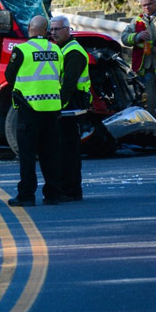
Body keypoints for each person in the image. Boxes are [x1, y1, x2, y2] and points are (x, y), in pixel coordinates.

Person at [4, 15, 65, 207]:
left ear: (30, 27)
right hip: (53, 109)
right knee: (51, 153)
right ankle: (53, 193)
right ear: (46, 30)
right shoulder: (56, 49)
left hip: (29, 108)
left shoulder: (22, 50)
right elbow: (60, 74)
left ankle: (27, 194)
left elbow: (9, 75)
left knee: (28, 154)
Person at [49, 15, 90, 201]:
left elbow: (69, 84)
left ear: (68, 29)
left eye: (57, 29)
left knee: (69, 151)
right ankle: (67, 189)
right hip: (68, 104)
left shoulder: (74, 52)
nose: (53, 33)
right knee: (63, 149)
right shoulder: (62, 48)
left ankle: (72, 190)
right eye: (51, 29)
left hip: (73, 105)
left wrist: (58, 107)